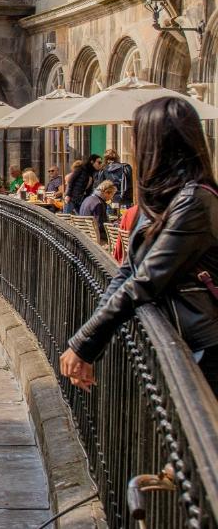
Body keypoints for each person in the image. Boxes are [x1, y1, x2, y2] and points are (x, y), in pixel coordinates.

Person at [61, 97, 218, 397]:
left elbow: (146, 280)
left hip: (203, 349)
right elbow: (126, 272)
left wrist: (85, 344)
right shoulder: (161, 200)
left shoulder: (195, 201)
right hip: (176, 342)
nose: (132, 144)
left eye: (137, 134)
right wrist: (86, 343)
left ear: (158, 142)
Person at [78, 179, 117, 244]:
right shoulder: (99, 203)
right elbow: (100, 226)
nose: (111, 198)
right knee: (119, 237)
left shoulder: (88, 198)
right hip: (96, 236)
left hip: (86, 233)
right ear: (106, 192)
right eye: (112, 194)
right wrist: (114, 226)